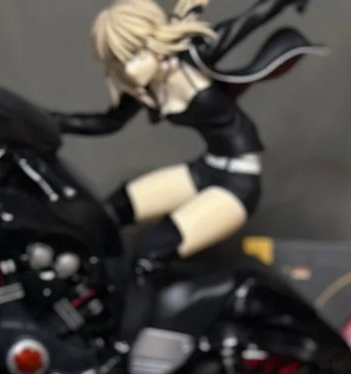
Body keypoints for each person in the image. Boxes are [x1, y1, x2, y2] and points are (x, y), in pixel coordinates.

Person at [55, 0, 319, 274]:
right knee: (107, 215)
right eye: (122, 61)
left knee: (148, 256)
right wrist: (47, 121)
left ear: (154, 41)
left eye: (136, 55)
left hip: (238, 182)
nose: (130, 70)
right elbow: (108, 122)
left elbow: (251, 19)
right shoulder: (147, 85)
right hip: (205, 170)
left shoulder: (195, 56)